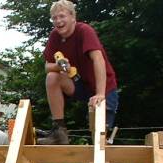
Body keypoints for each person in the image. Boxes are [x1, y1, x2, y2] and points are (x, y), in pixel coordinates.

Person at [38, 1, 119, 150]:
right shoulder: (55, 36)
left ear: (73, 17)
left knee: (100, 136)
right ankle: (59, 131)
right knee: (52, 77)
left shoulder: (84, 31)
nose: (58, 21)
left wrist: (100, 94)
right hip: (80, 83)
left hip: (104, 86)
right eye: (54, 18)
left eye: (62, 16)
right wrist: (59, 65)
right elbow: (47, 67)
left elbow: (98, 59)